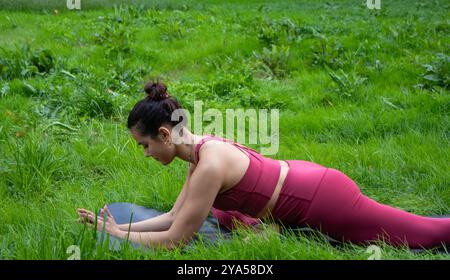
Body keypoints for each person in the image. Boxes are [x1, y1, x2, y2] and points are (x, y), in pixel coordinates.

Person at [77, 81, 450, 251]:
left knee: (425, 235)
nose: (145, 154)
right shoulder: (197, 152)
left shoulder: (207, 166)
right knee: (219, 212)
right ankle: (260, 228)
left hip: (321, 198)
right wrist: (121, 225)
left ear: (164, 133)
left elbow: (177, 239)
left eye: (144, 145)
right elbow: (175, 214)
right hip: (302, 186)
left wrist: (119, 235)